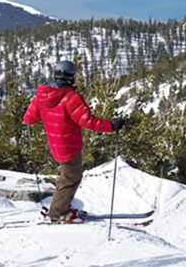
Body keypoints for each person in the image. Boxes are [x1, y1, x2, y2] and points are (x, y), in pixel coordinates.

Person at [23, 60, 127, 222]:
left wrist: (31, 115)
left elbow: (29, 118)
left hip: (55, 146)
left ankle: (60, 207)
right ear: (71, 78)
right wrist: (111, 126)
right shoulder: (71, 97)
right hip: (70, 146)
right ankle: (57, 213)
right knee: (71, 178)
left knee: (66, 177)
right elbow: (88, 121)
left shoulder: (42, 95)